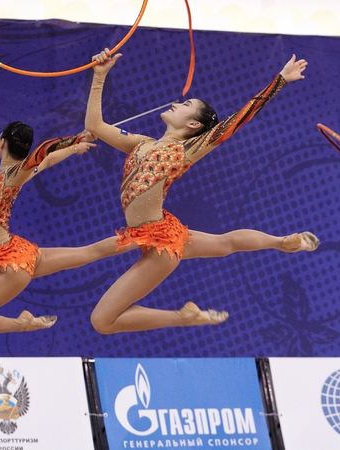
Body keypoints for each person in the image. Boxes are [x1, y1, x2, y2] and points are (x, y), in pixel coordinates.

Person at [84, 49, 319, 334]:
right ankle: (283, 242)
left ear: (193, 125)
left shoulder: (187, 148)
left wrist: (280, 79)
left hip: (160, 246)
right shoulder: (141, 143)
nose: (175, 104)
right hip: (160, 229)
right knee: (224, 244)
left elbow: (239, 118)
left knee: (102, 321)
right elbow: (94, 126)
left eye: (185, 105)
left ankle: (184, 317)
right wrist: (100, 76)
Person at [0, 122, 137, 336]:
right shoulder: (14, 175)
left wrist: (75, 140)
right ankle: (140, 236)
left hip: (12, 266)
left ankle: (21, 323)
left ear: (1, 142)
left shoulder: (12, 175)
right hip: (20, 253)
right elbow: (48, 159)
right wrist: (75, 145)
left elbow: (44, 152)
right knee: (89, 252)